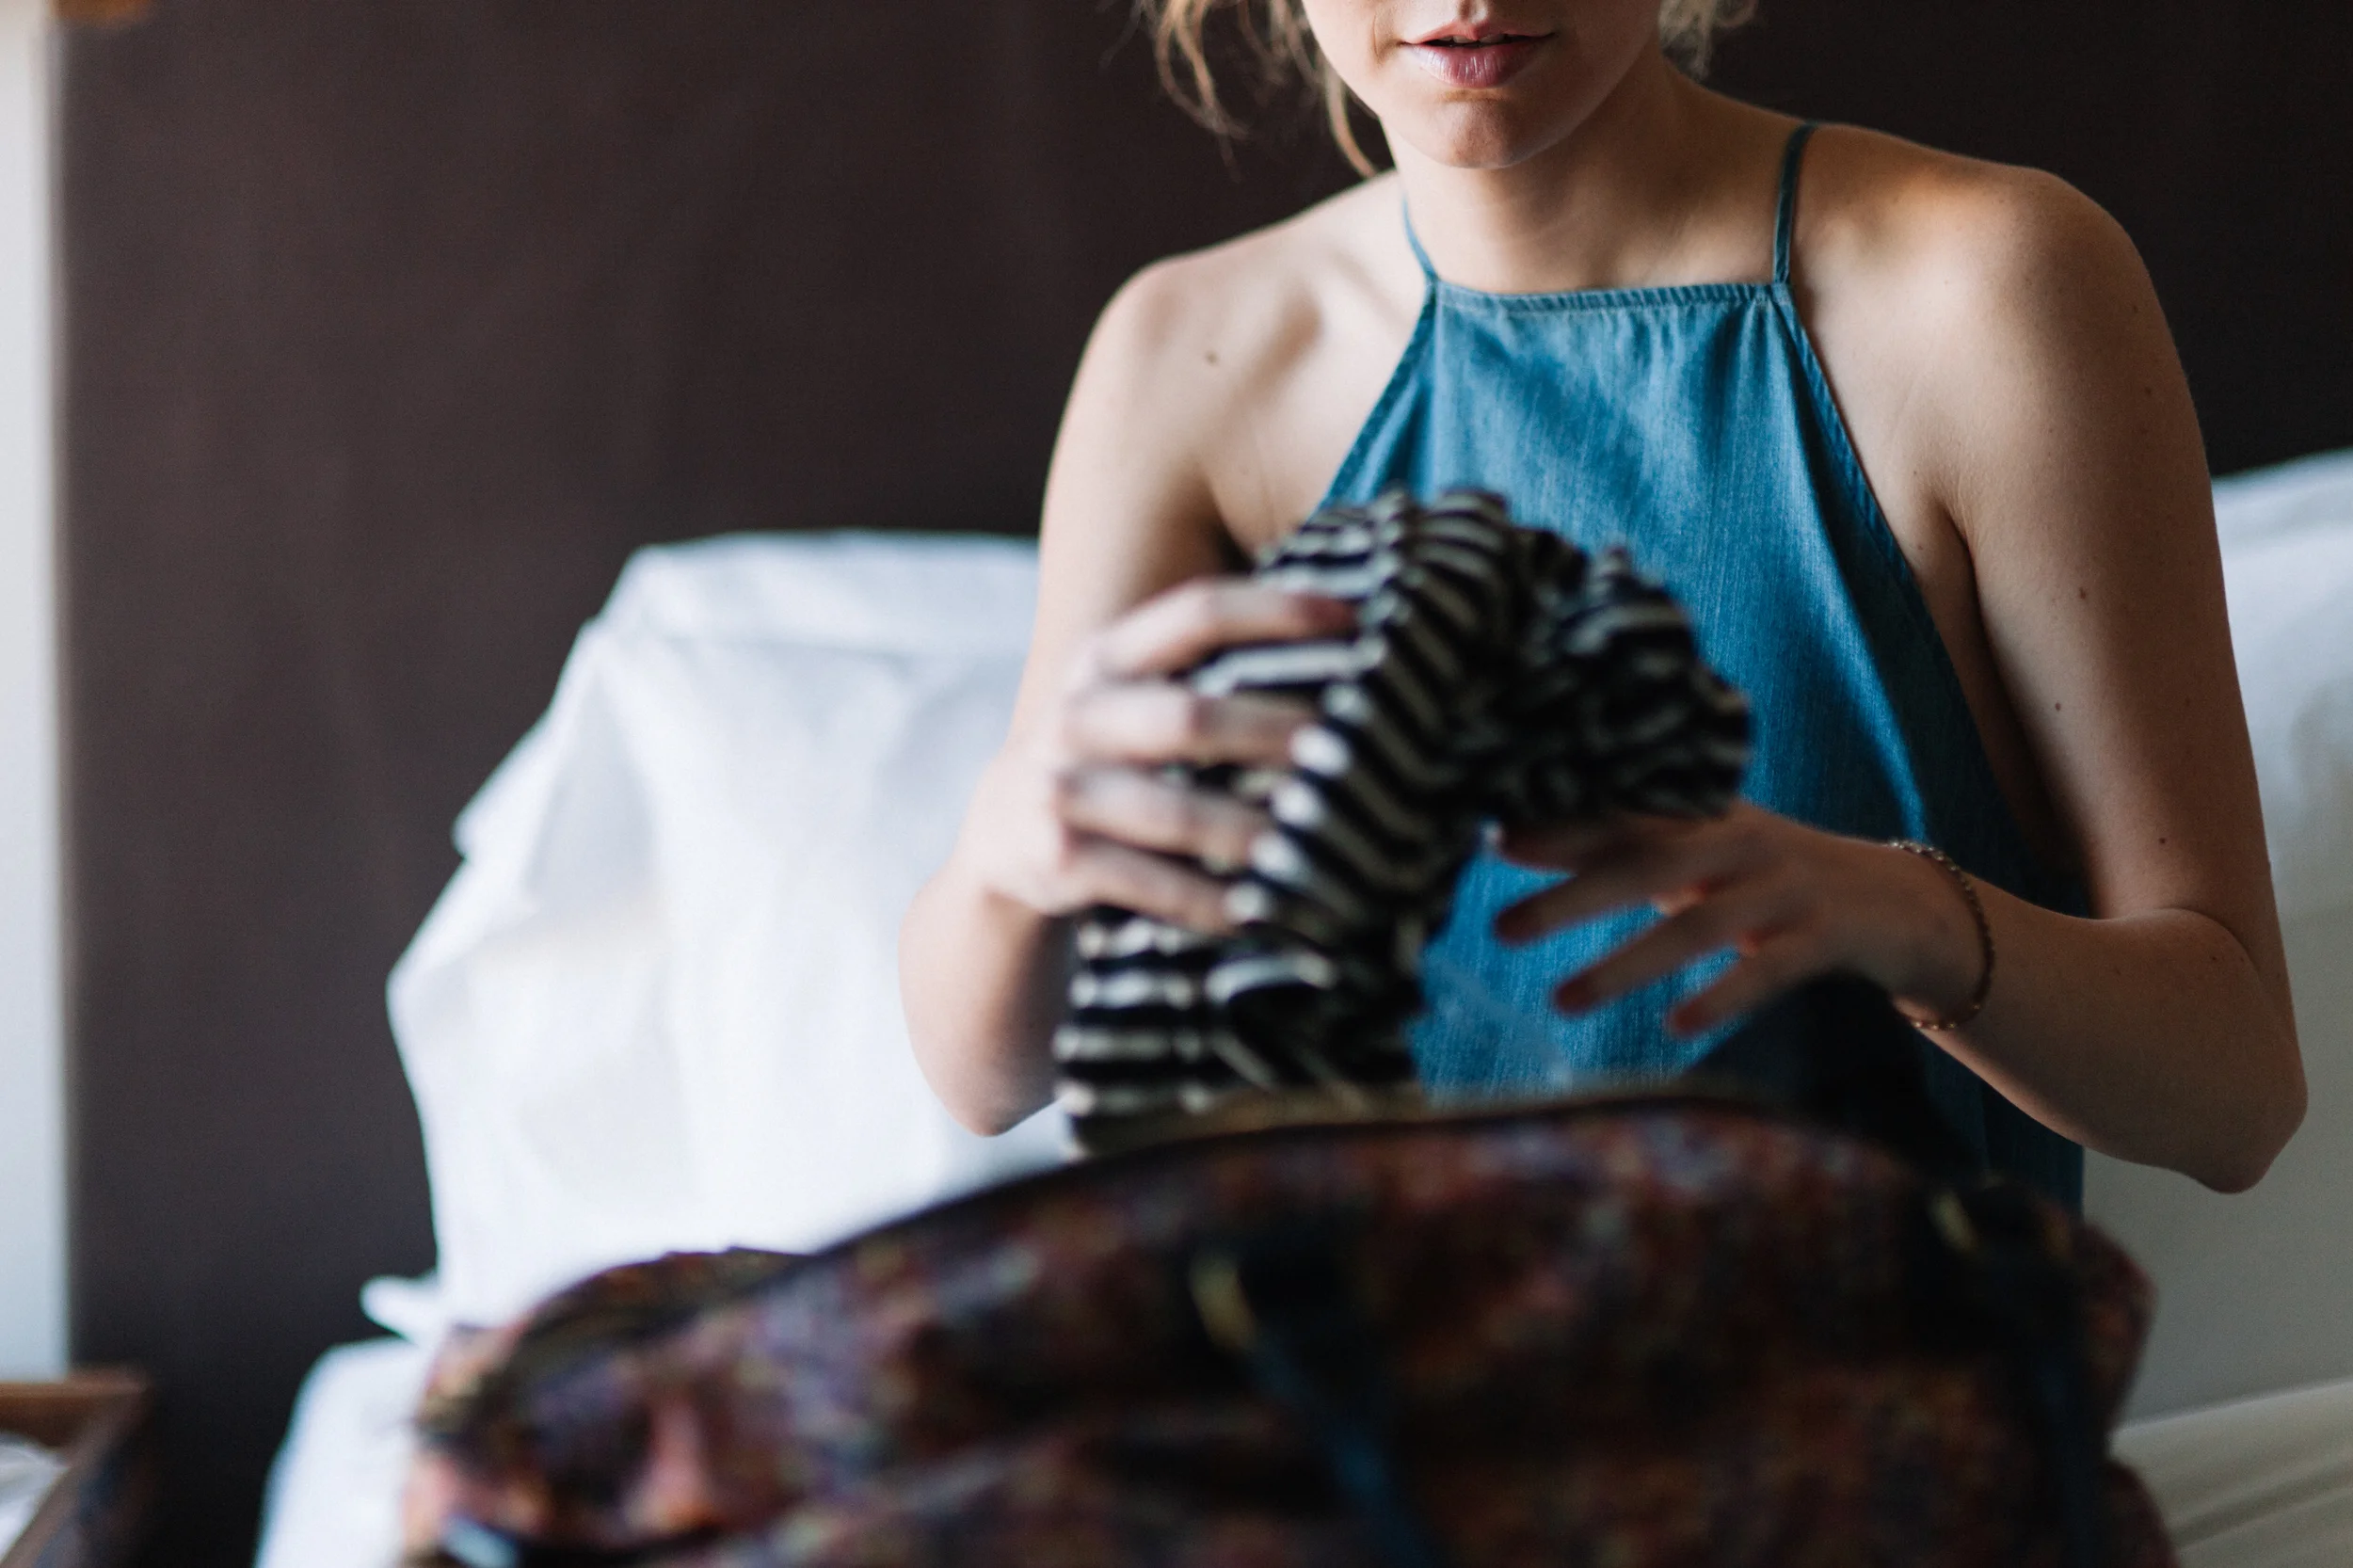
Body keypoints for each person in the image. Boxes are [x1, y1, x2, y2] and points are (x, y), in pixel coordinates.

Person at [899, 0, 2305, 1202]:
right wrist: (1017, 852)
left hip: (1834, 1396)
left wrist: (1903, 917)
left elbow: (2236, 1096)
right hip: (1339, 1381)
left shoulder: (1987, 291)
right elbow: (986, 1077)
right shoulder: (1191, 355)